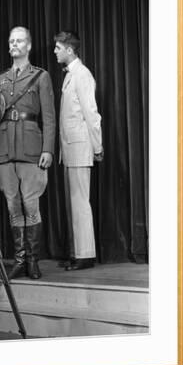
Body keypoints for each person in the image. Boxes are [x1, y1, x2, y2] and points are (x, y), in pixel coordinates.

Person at [0, 26, 56, 280]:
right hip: (5, 149)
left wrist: (48, 149)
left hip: (30, 149)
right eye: (11, 41)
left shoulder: (41, 76)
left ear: (28, 45)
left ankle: (33, 260)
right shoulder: (1, 79)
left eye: (20, 41)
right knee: (13, 206)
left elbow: (49, 117)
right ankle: (19, 260)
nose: (15, 44)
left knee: (31, 205)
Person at [54, 31, 103, 271]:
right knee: (74, 202)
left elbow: (91, 113)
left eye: (58, 48)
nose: (55, 52)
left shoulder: (82, 75)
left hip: (80, 146)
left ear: (70, 50)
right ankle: (78, 252)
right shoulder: (71, 75)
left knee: (80, 202)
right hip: (71, 148)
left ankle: (85, 254)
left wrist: (97, 145)